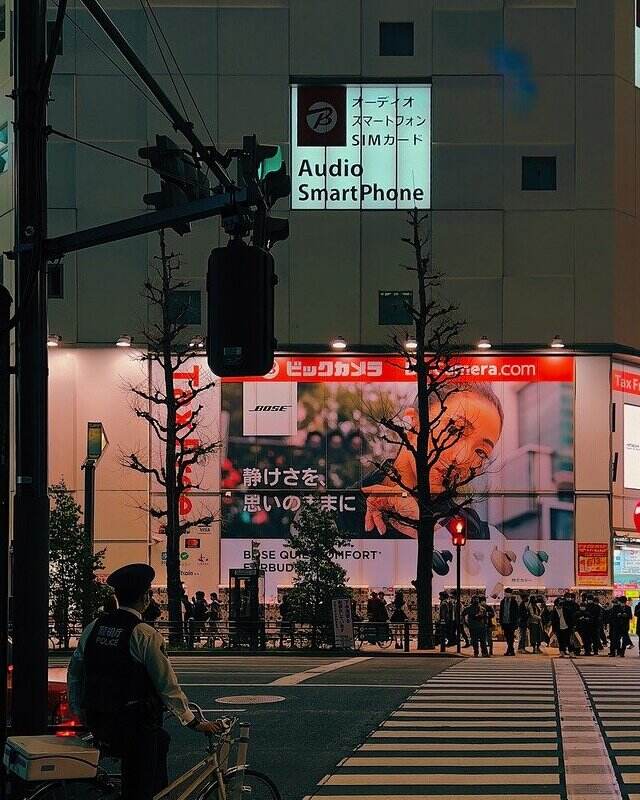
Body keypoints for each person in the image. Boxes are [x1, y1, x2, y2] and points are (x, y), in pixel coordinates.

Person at [67, 564, 225, 800]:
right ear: (145, 597)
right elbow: (167, 685)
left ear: (117, 596)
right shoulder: (144, 634)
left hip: (99, 720)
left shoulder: (94, 628)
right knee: (145, 779)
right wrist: (193, 721)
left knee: (159, 744)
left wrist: (79, 709)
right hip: (133, 726)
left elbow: (75, 673)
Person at [499, 587, 519, 656]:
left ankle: (510, 650)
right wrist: (501, 622)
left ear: (510, 594)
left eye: (508, 593)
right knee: (507, 636)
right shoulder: (502, 601)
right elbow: (501, 612)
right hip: (504, 622)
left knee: (511, 636)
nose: (506, 594)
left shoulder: (514, 602)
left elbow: (516, 613)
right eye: (505, 593)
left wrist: (516, 622)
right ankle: (511, 650)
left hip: (511, 622)